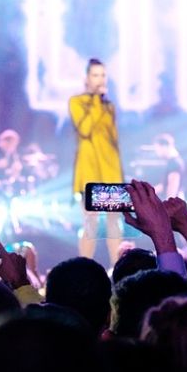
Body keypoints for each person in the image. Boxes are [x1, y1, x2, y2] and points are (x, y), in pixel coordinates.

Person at [69, 59, 123, 264]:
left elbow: (113, 141)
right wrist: (95, 101)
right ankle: (85, 267)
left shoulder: (109, 107)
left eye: (103, 75)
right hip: (89, 172)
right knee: (90, 220)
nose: (100, 79)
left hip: (111, 172)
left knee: (113, 222)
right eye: (95, 75)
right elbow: (85, 129)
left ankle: (117, 267)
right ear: (87, 78)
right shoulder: (77, 102)